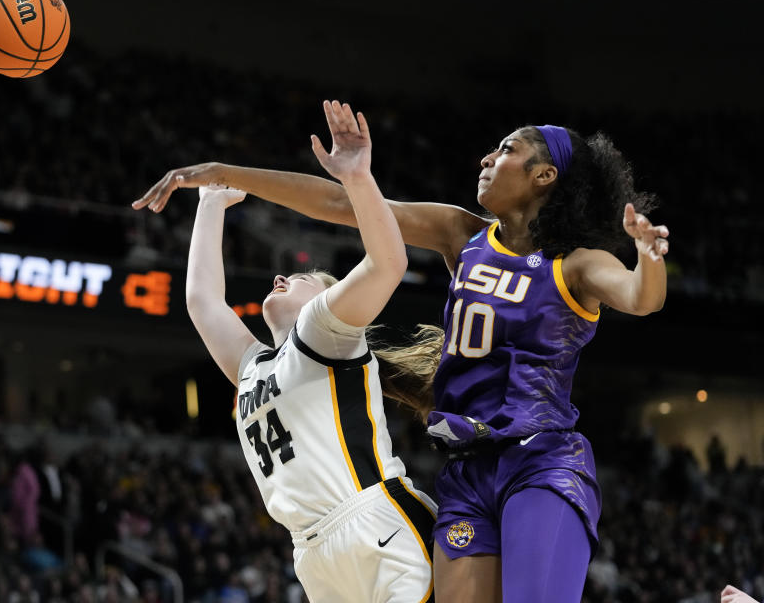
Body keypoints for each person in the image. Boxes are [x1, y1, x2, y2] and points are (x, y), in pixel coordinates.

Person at [135, 108, 670, 603]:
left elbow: (640, 298)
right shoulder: (461, 234)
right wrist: (223, 173)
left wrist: (648, 259)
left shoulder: (577, 262)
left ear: (543, 176)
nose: (486, 158)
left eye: (505, 149)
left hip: (540, 459)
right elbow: (341, 205)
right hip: (463, 471)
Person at [183, 101, 436, 602]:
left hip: (375, 522)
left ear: (323, 298)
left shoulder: (322, 332)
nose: (280, 278)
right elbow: (202, 302)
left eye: (297, 279)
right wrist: (210, 203)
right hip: (313, 552)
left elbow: (388, 262)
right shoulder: (253, 368)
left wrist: (358, 178)